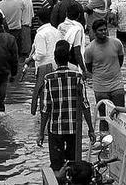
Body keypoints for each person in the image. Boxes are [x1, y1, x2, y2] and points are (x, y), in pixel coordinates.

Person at [38, 42, 95, 173]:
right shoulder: (78, 77)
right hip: (74, 129)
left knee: (57, 166)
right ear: (68, 58)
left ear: (55, 59)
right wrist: (91, 129)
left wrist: (41, 133)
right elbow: (85, 105)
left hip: (55, 129)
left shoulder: (49, 79)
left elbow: (45, 108)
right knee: (74, 166)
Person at [84, 19, 125, 132]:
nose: (103, 32)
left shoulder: (116, 43)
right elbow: (89, 68)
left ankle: (120, 144)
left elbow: (120, 60)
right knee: (103, 117)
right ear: (94, 32)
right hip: (100, 87)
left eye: (105, 29)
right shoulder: (89, 49)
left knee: (120, 115)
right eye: (100, 30)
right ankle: (104, 143)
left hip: (117, 84)